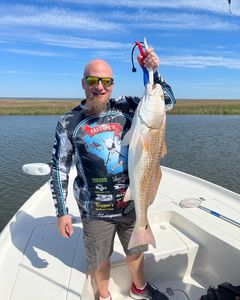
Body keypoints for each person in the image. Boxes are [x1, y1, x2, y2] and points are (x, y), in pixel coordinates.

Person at [50, 47, 175, 300]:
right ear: (83, 83)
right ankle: (104, 295)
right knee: (99, 258)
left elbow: (167, 101)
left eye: (106, 81)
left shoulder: (128, 107)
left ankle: (139, 287)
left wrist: (151, 70)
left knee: (136, 252)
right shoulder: (69, 122)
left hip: (131, 206)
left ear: (112, 84)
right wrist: (62, 213)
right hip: (95, 211)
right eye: (93, 80)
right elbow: (59, 168)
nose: (99, 87)